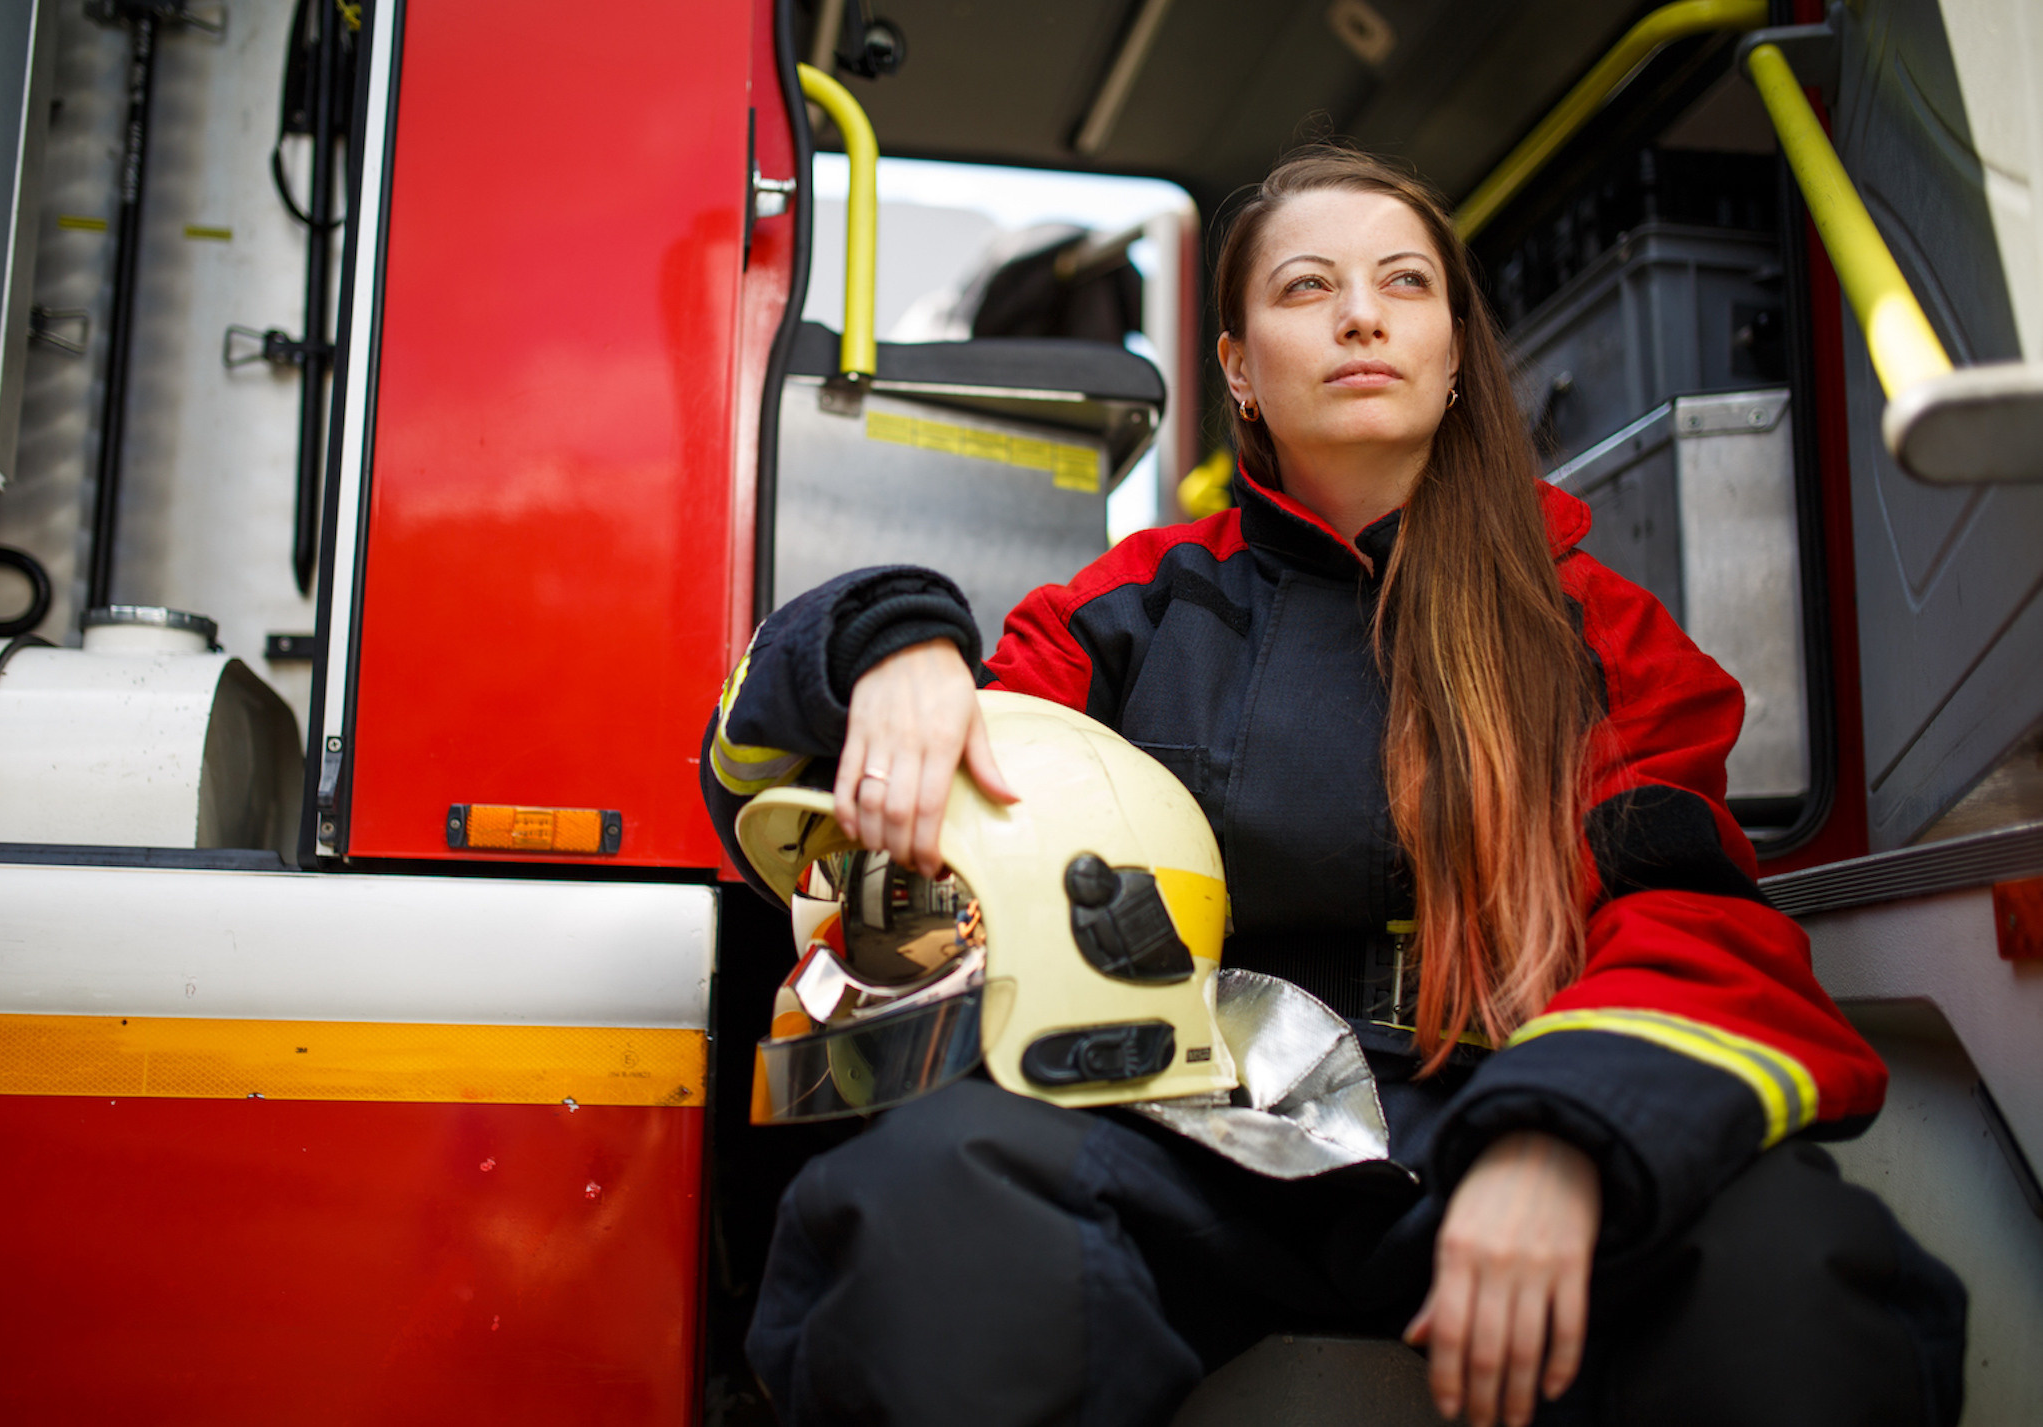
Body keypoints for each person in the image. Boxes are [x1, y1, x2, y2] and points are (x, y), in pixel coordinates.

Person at [701, 147, 1966, 1427]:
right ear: (1240, 367)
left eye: (1403, 283)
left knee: (1790, 1259)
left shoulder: (1602, 630)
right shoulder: (1123, 611)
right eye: (1308, 287)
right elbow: (806, 792)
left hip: (1500, 1112)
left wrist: (1571, 1131)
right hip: (1176, 1129)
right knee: (931, 1201)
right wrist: (888, 643)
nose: (1361, 314)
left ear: (1456, 351)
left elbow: (1692, 917)